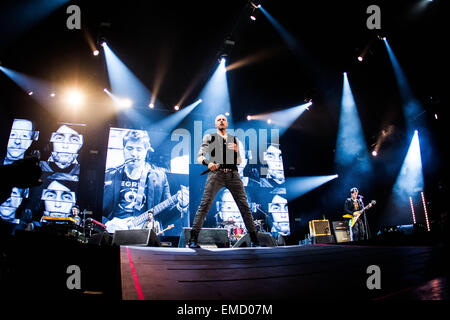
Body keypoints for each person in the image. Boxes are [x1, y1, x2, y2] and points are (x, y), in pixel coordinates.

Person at [188, 114, 260, 248]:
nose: (221, 121)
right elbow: (200, 157)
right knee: (205, 205)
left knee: (244, 206)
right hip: (216, 174)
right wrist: (208, 163)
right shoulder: (209, 138)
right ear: (215, 124)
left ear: (227, 124)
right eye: (218, 120)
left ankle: (255, 240)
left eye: (223, 119)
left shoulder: (235, 140)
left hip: (233, 174)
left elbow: (239, 162)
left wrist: (237, 152)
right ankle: (193, 239)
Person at [102, 129, 188, 228]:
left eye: (139, 149)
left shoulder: (160, 178)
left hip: (146, 236)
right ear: (123, 149)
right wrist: (107, 224)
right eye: (129, 148)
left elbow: (166, 216)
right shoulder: (109, 175)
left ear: (146, 151)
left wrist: (182, 205)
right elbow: (96, 208)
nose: (134, 153)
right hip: (112, 235)